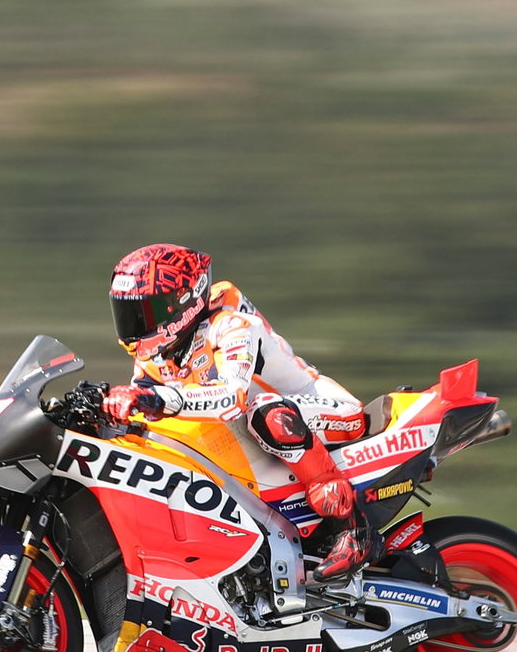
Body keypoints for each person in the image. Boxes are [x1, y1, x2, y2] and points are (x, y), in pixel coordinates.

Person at [102, 242, 374, 582]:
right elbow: (146, 409)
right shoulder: (156, 353)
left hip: (325, 410)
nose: (134, 324)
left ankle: (351, 528)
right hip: (261, 433)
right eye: (127, 312)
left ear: (183, 302)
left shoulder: (232, 327)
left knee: (267, 412)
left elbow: (231, 399)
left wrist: (156, 400)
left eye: (145, 311)